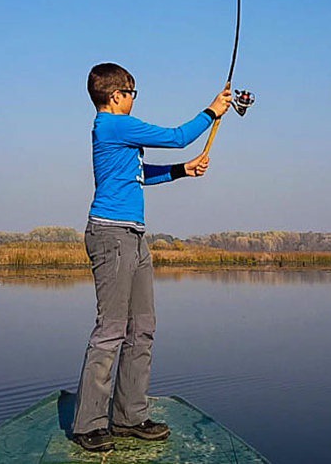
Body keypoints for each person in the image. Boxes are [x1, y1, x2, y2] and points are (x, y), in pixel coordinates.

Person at [71, 63, 232, 453]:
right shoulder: (112, 125)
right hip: (111, 235)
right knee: (111, 331)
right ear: (116, 96)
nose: (133, 99)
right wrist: (212, 111)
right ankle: (88, 424)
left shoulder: (119, 135)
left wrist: (182, 170)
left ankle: (129, 416)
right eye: (132, 93)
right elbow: (176, 137)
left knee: (142, 327)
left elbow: (141, 173)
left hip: (134, 236)